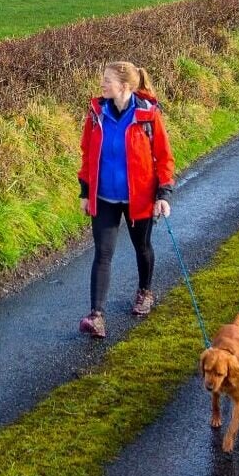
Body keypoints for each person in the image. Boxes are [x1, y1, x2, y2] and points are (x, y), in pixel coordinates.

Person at [76, 60, 174, 338]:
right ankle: (96, 316)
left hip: (139, 198)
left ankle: (144, 292)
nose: (102, 84)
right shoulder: (96, 114)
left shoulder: (148, 116)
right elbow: (87, 154)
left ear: (125, 86)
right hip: (104, 197)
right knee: (102, 254)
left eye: (107, 80)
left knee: (142, 247)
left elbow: (164, 158)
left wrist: (163, 194)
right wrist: (85, 192)